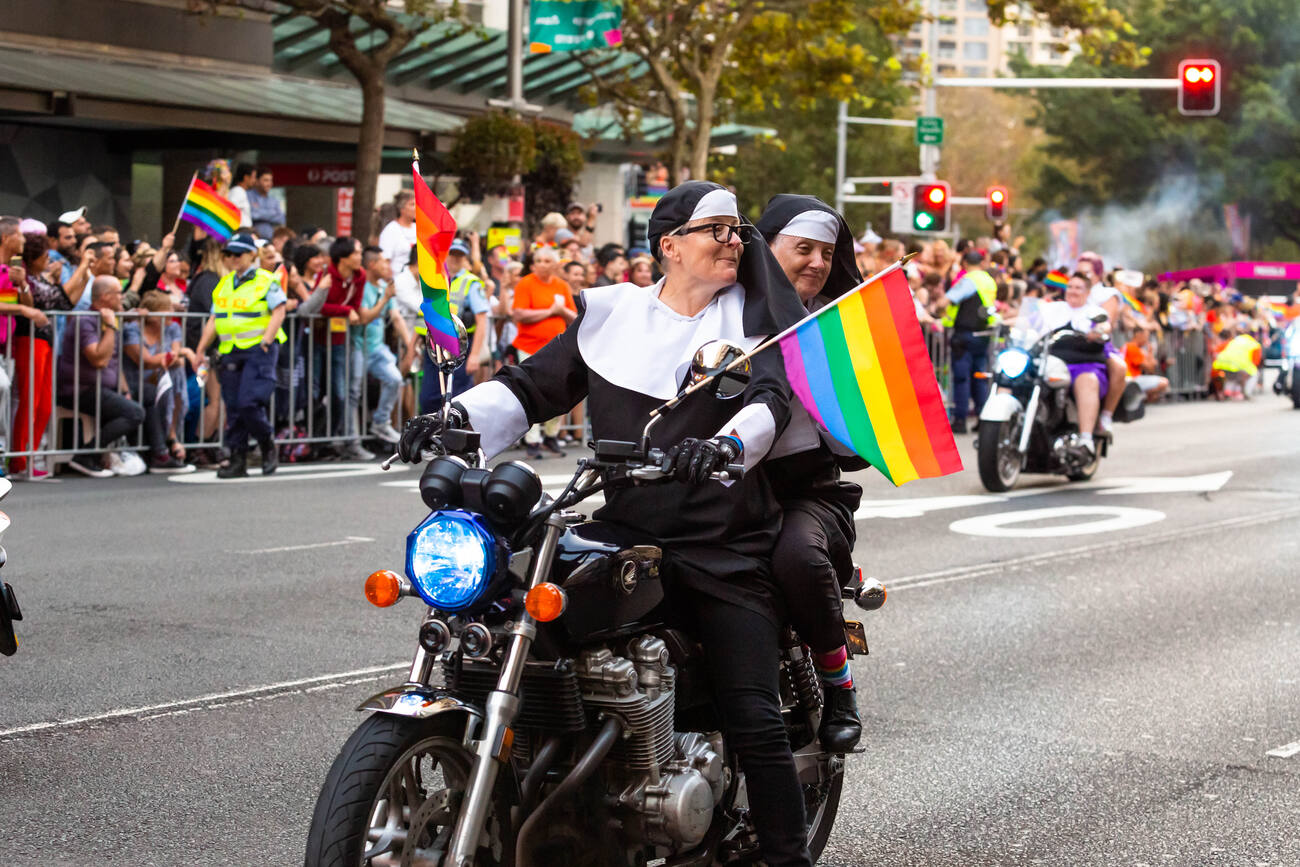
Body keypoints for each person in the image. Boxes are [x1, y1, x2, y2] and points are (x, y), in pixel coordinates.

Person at [399, 180, 815, 867]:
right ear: (670, 244)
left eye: (737, 230)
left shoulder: (750, 320)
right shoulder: (613, 314)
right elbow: (531, 386)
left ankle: (787, 857)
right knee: (525, 626)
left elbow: (770, 401)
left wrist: (723, 446)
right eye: (717, 229)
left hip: (722, 543)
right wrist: (455, 418)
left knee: (753, 713)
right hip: (627, 529)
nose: (733, 241)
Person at [756, 194, 868, 752]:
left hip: (808, 492)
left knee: (796, 557)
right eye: (804, 249)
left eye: (826, 253)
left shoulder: (829, 328)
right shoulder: (725, 312)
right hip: (718, 491)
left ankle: (838, 683)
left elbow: (856, 444)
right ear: (765, 248)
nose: (818, 263)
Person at [194, 232, 287, 478]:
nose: (233, 259)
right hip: (231, 352)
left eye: (238, 254)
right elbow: (215, 319)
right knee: (234, 407)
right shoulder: (223, 284)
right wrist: (200, 349)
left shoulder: (266, 280)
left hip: (258, 350)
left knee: (249, 402)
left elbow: (279, 310)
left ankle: (267, 443)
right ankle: (238, 460)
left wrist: (266, 340)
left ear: (251, 255)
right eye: (228, 254)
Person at [11, 233, 86, 477]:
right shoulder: (27, 280)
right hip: (29, 339)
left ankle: (30, 457)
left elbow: (64, 302)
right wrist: (83, 267)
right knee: (29, 401)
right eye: (44, 257)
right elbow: (57, 299)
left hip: (45, 340)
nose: (47, 260)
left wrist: (73, 275)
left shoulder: (36, 278)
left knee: (43, 404)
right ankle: (19, 460)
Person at [56, 276, 145, 478]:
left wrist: (124, 391)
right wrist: (111, 327)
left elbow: (114, 361)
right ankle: (86, 455)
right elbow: (99, 359)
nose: (122, 297)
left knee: (135, 404)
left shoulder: (107, 318)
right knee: (134, 413)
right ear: (105, 296)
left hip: (101, 388)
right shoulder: (85, 320)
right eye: (118, 293)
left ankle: (100, 455)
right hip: (79, 389)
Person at [1024, 272, 1110, 456]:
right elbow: (1026, 321)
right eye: (1070, 287)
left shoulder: (1095, 312)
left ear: (1087, 293)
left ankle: (1086, 440)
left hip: (1084, 364)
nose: (1073, 291)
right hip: (1051, 361)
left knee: (1087, 381)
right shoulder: (1052, 308)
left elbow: (1104, 327)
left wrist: (1098, 332)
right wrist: (1002, 323)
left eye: (1078, 288)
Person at [508, 246, 575, 459]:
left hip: (556, 347)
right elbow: (519, 313)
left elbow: (573, 317)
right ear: (533, 264)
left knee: (558, 391)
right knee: (531, 393)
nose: (544, 264)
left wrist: (561, 311)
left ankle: (551, 436)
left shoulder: (562, 285)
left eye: (548, 260)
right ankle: (533, 440)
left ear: (555, 264)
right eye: (540, 260)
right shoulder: (526, 284)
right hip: (529, 347)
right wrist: (549, 311)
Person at [122, 291, 195, 473]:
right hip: (136, 381)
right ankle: (171, 440)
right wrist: (182, 352)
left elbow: (177, 360)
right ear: (153, 315)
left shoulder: (172, 329)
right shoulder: (133, 329)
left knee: (175, 374)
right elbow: (145, 361)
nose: (172, 312)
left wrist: (177, 355)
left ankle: (170, 437)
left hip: (162, 378)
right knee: (168, 378)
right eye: (166, 309)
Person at [313, 236, 368, 459]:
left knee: (340, 392)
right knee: (315, 391)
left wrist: (347, 311)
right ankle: (316, 442)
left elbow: (355, 305)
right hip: (316, 340)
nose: (360, 257)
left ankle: (334, 438)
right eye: (356, 253)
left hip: (339, 340)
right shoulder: (327, 275)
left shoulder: (359, 276)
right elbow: (319, 305)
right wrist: (344, 312)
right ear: (343, 258)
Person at [348, 247, 405, 445]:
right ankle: (351, 439)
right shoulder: (363, 287)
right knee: (353, 392)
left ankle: (381, 422)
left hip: (377, 349)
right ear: (372, 264)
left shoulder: (383, 287)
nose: (387, 265)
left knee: (395, 379)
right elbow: (364, 317)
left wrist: (409, 343)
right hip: (358, 347)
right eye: (384, 261)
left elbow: (396, 317)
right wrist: (385, 299)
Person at [939, 248, 998, 432]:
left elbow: (946, 300)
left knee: (962, 379)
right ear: (982, 262)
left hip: (965, 335)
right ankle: (983, 418)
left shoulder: (968, 281)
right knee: (979, 378)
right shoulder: (989, 280)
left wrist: (938, 311)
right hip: (983, 335)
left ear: (964, 264)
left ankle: (960, 420)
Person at [1123, 326, 1169, 402]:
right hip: (1131, 379)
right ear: (1138, 335)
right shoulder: (1132, 348)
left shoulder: (1129, 346)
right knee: (1164, 382)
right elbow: (1151, 369)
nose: (1147, 340)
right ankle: (1138, 397)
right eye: (1146, 336)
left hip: (1130, 379)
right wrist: (1150, 352)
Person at [378, 191, 417, 275]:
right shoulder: (391, 230)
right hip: (397, 281)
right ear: (401, 208)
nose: (416, 207)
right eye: (412, 204)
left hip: (417, 283)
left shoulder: (418, 228)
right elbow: (385, 260)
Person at [248, 167, 286, 239]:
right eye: (266, 180)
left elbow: (281, 218)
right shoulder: (248, 196)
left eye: (270, 180)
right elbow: (251, 215)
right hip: (252, 238)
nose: (269, 184)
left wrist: (259, 213)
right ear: (257, 181)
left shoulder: (274, 200)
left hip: (270, 239)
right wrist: (272, 213)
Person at [228, 162, 256, 229]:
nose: (255, 180)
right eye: (254, 177)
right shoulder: (237, 191)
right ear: (246, 177)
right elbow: (230, 210)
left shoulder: (240, 191)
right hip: (241, 231)